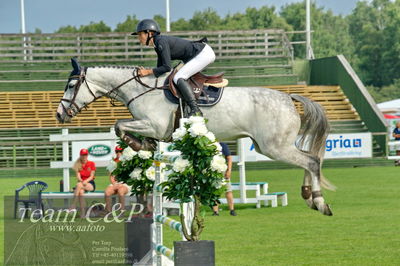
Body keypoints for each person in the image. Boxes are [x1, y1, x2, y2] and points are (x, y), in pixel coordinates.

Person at [132, 19, 216, 117]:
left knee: (178, 77)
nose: (139, 38)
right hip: (196, 54)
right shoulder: (157, 43)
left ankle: (195, 109)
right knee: (176, 75)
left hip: (203, 54)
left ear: (149, 33)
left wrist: (147, 72)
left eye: (140, 34)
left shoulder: (160, 42)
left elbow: (167, 67)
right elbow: (160, 68)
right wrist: (147, 71)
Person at [70, 148, 96, 217]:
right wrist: (82, 181)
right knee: (81, 192)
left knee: (78, 185)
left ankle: (73, 205)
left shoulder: (91, 163)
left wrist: (85, 181)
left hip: (90, 183)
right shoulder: (78, 164)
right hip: (81, 184)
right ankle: (83, 214)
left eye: (85, 155)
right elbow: (78, 177)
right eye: (83, 155)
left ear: (87, 155)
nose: (84, 156)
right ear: (80, 155)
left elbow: (92, 176)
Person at [104, 146, 131, 213]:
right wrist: (114, 183)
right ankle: (108, 212)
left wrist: (121, 184)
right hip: (115, 183)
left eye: (120, 151)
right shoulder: (113, 161)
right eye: (117, 151)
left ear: (123, 152)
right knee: (107, 191)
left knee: (120, 191)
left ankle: (121, 211)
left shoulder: (128, 161)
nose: (118, 153)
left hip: (126, 183)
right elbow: (111, 176)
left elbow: (129, 176)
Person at [213, 142, 237, 216]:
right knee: (214, 192)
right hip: (213, 171)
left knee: (228, 190)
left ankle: (232, 210)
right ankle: (215, 212)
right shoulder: (209, 144)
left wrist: (229, 170)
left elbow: (229, 157)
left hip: (223, 170)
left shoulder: (222, 145)